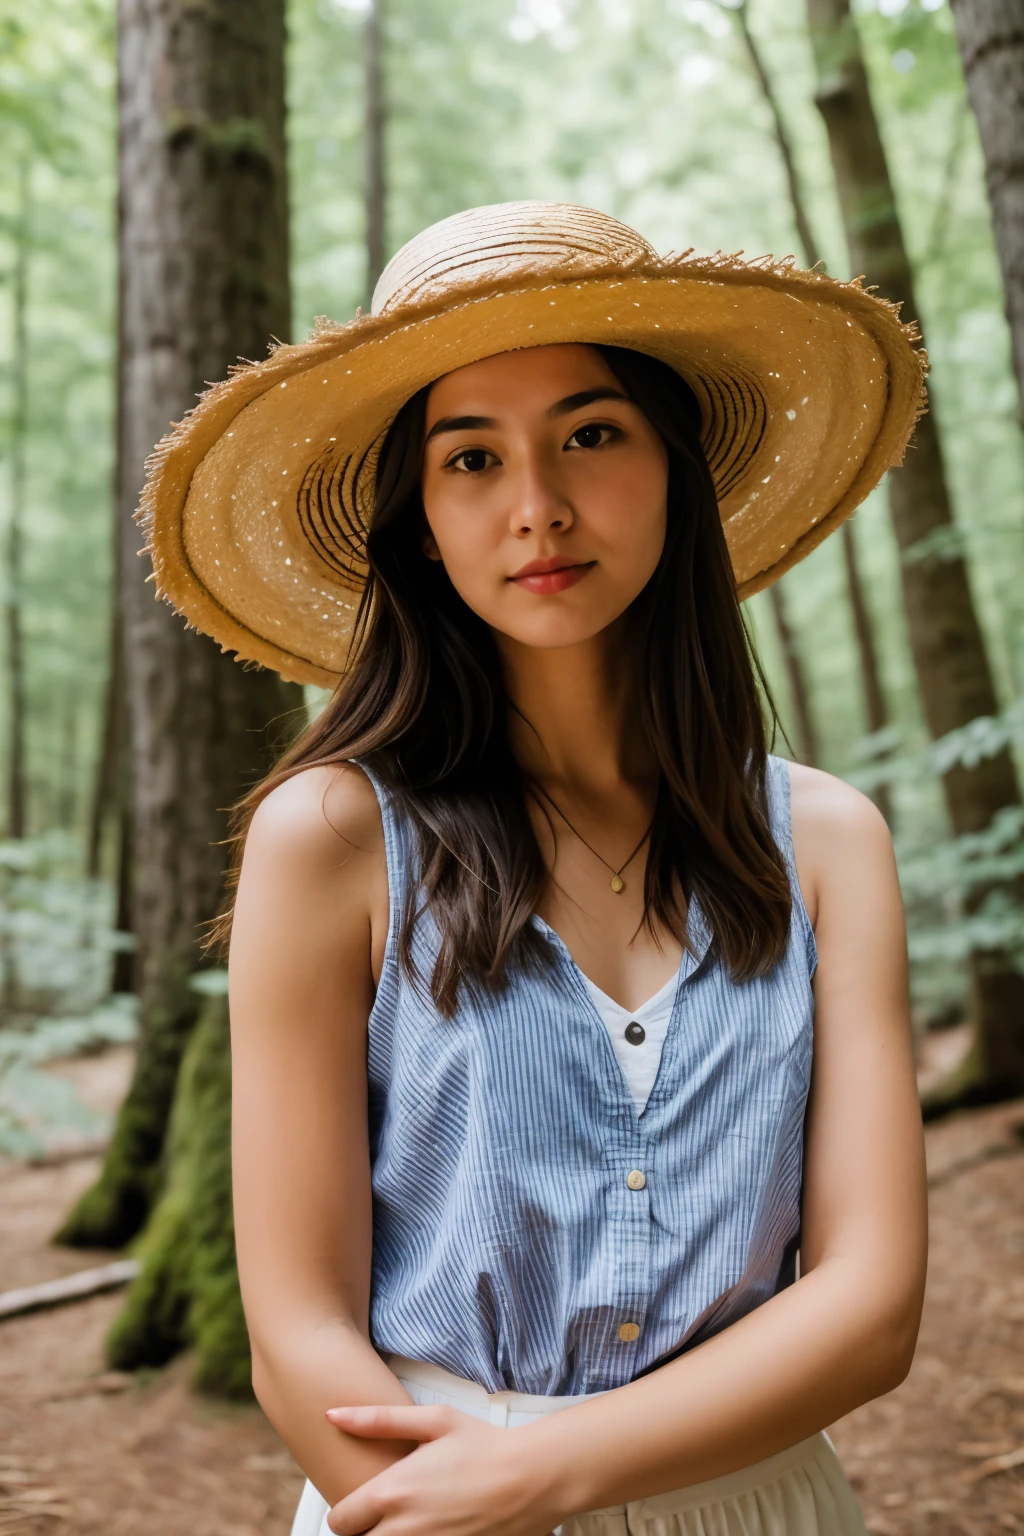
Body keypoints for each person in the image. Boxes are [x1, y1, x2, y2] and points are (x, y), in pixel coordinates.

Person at [141, 202, 928, 1536]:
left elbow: (872, 1305)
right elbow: (298, 1329)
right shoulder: (330, 841)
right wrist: (462, 1500)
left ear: (675, 466)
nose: (538, 507)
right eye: (469, 460)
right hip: (415, 1502)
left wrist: (553, 1470)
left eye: (590, 434)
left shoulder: (830, 845)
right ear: (418, 524)